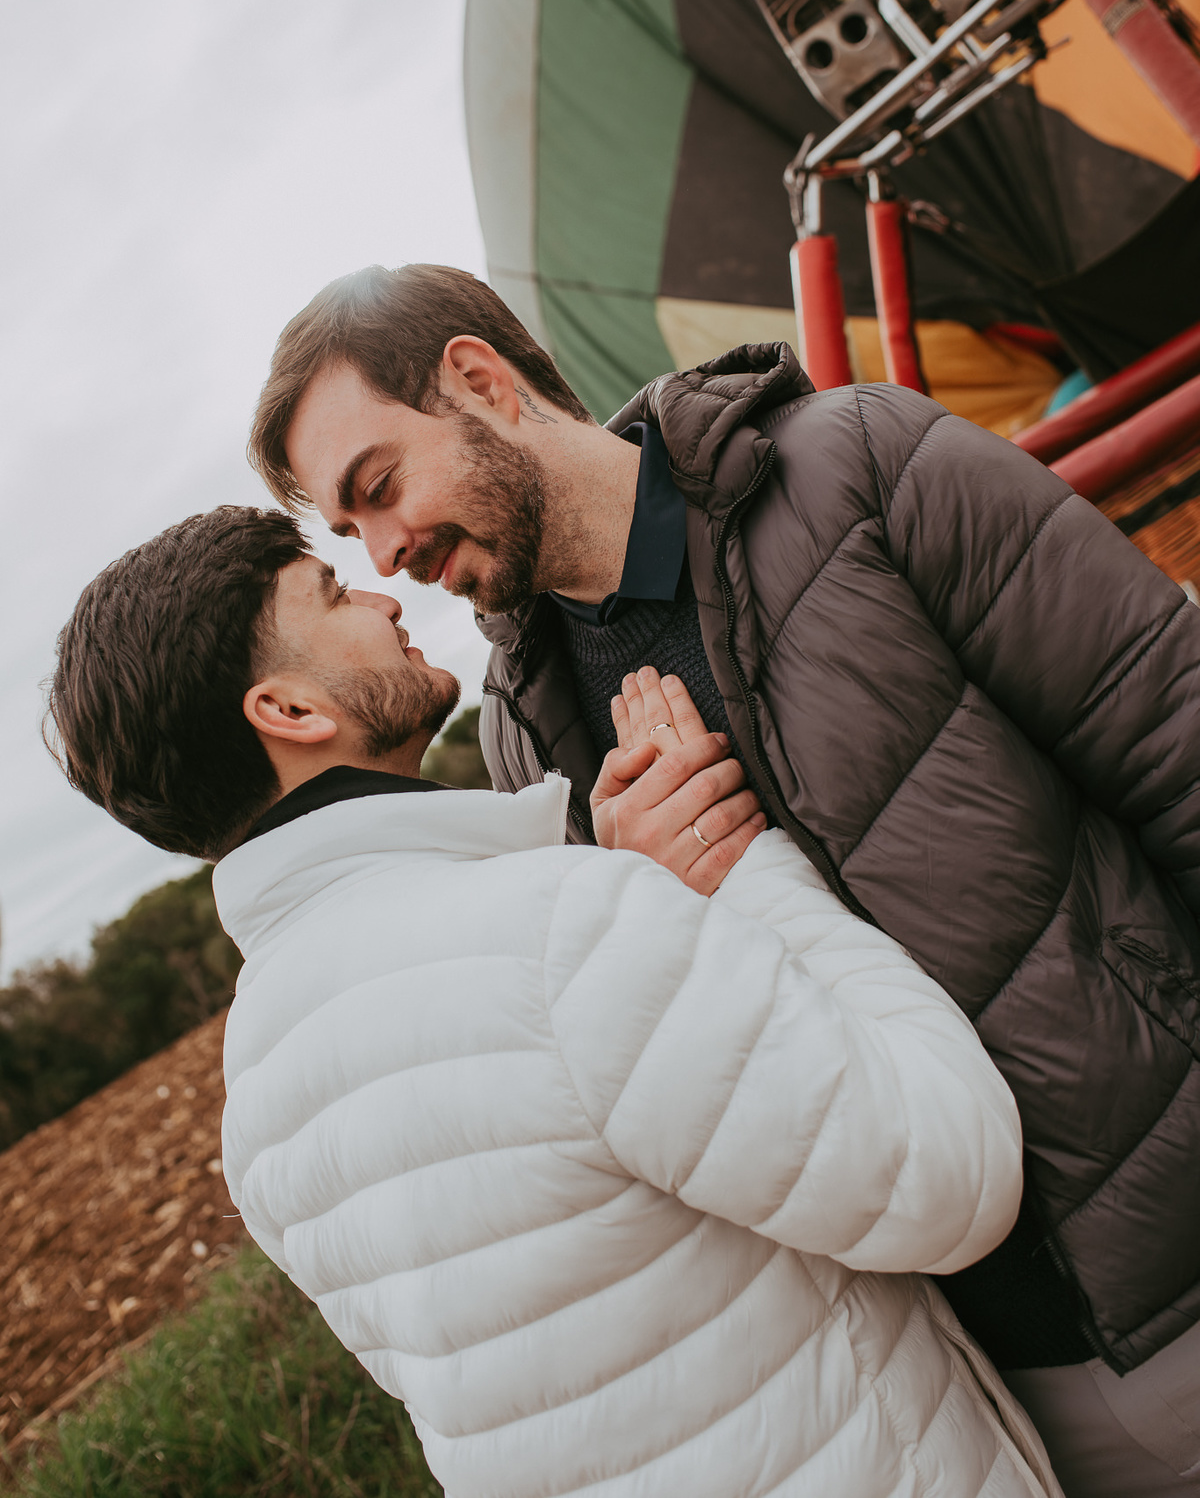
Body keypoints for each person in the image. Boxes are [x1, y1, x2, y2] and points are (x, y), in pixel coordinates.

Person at [248, 260, 1200, 1497]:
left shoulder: (859, 469)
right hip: (991, 1380)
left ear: (480, 381)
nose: (386, 551)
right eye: (347, 530)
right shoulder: (525, 741)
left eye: (377, 487)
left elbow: (1172, 738)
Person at [44, 504, 1059, 1498]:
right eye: (332, 593)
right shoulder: (557, 933)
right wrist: (736, 876)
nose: (384, 598)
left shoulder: (256, 1106)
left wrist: (635, 909)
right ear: (293, 712)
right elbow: (949, 1179)